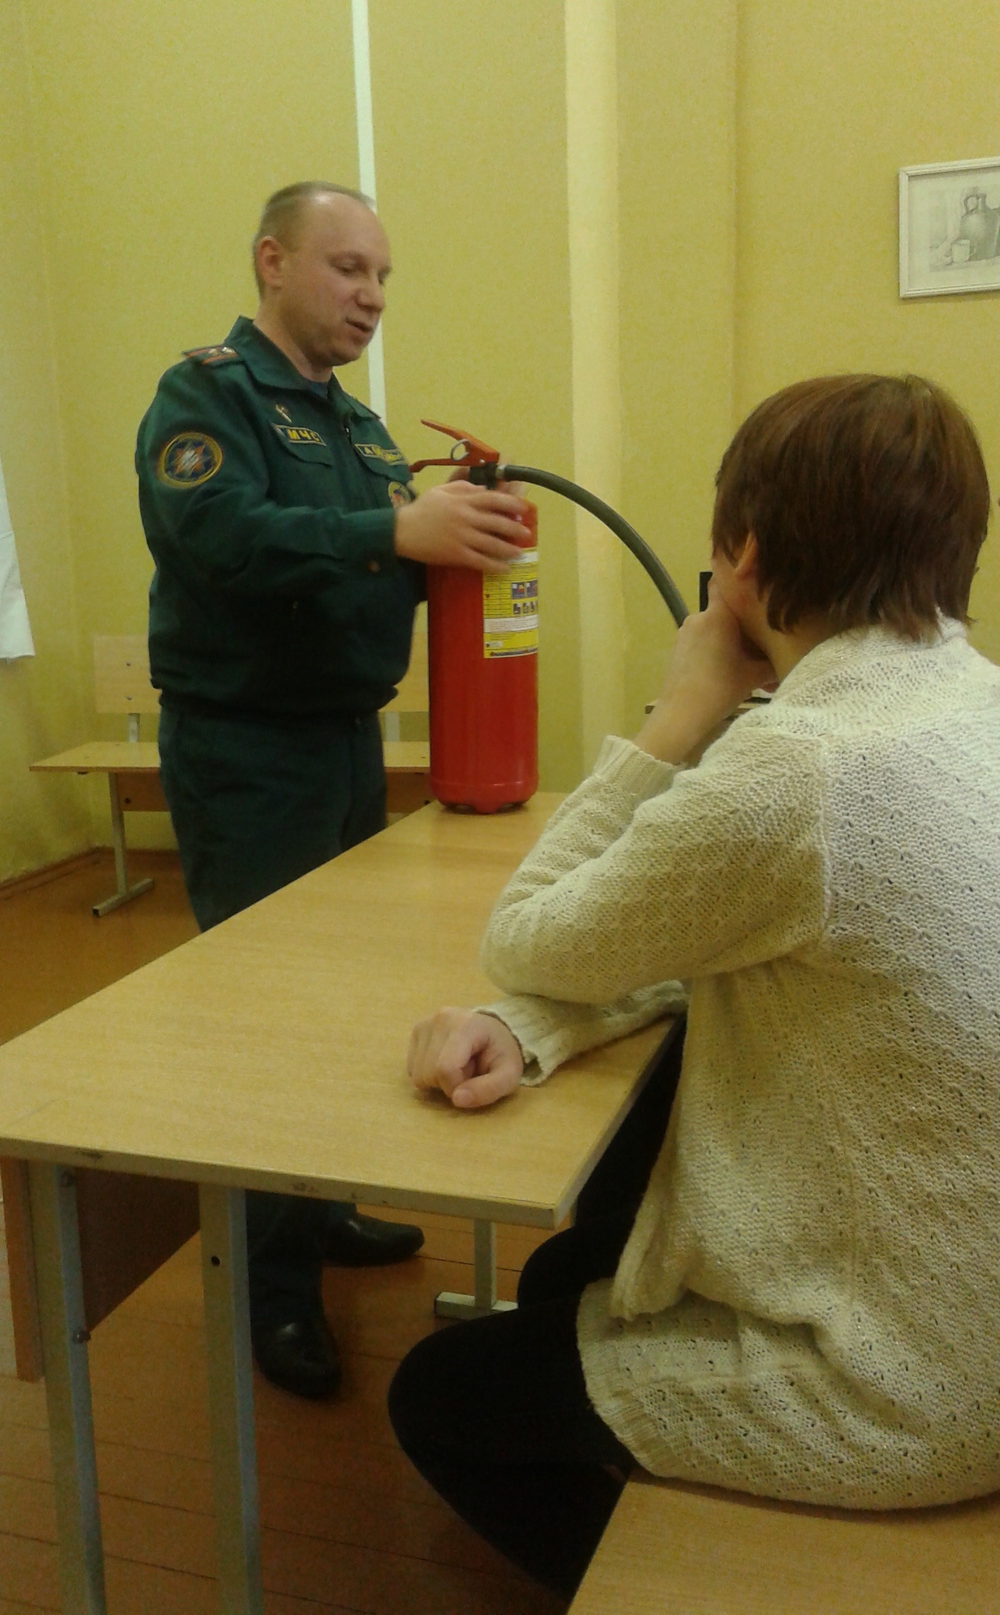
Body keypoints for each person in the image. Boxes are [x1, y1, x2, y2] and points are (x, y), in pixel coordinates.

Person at [388, 374, 1000, 1601]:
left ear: (745, 556)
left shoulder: (801, 765)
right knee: (566, 1274)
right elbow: (728, 935)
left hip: (905, 1390)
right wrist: (535, 1026)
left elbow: (526, 930)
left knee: (440, 1394)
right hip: (966, 1317)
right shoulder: (969, 701)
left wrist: (680, 712)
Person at [136, 181, 531, 1400]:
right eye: (348, 268)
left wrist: (465, 531)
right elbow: (215, 536)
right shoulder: (208, 395)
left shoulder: (358, 428)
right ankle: (271, 1282)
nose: (370, 296)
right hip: (247, 752)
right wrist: (393, 533)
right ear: (273, 260)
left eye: (382, 277)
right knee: (268, 1018)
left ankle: (323, 1207)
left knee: (346, 995)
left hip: (347, 746)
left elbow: (389, 558)